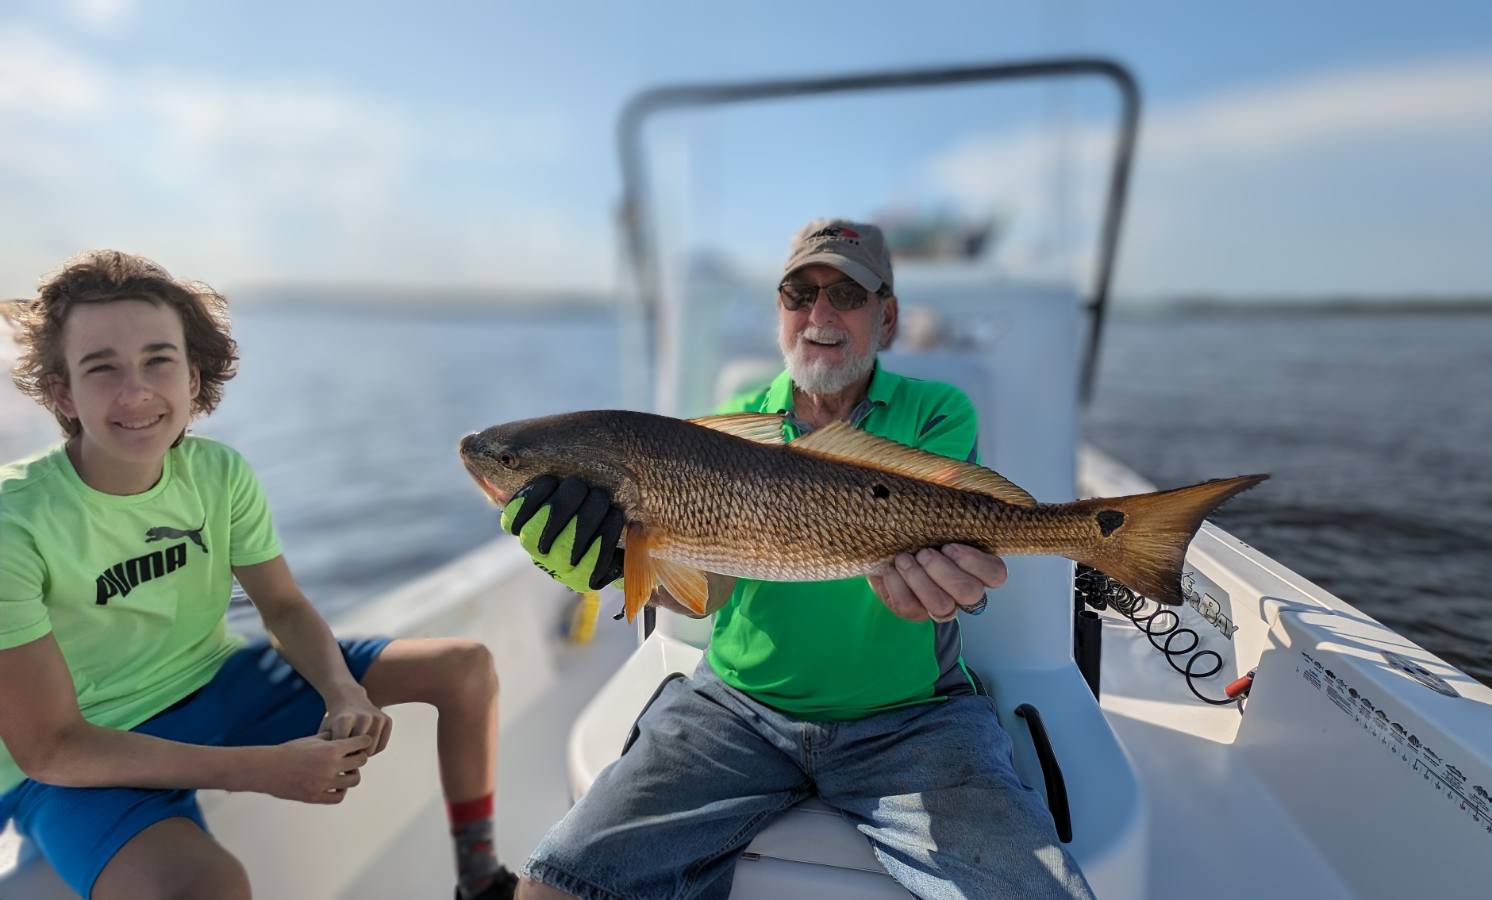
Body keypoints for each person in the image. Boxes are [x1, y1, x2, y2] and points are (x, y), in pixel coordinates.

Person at [500, 219, 1095, 899]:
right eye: (798, 293)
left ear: (887, 314)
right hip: (735, 711)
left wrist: (949, 588)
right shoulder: (728, 426)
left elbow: (955, 530)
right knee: (554, 886)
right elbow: (709, 593)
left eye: (846, 293)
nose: (819, 314)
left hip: (913, 720)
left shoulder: (937, 411)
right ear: (780, 311)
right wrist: (612, 567)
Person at [0, 251, 518, 900]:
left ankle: (481, 882)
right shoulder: (12, 520)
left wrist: (341, 691)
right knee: (210, 887)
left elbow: (284, 607)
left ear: (194, 377)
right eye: (101, 369)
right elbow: (50, 748)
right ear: (61, 393)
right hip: (84, 756)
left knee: (464, 667)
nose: (135, 392)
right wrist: (260, 770)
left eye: (158, 360)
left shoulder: (219, 474)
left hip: (215, 681)